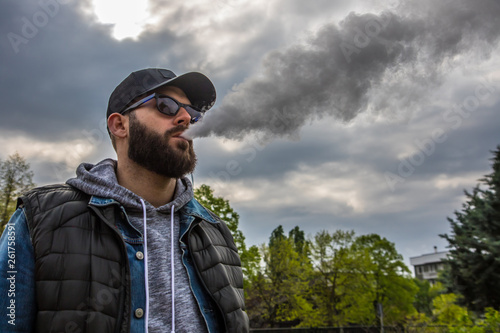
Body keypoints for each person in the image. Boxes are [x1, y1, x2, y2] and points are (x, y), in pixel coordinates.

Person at [0, 68, 249, 333]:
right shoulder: (36, 219)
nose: (186, 118)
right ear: (119, 125)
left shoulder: (216, 232)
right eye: (166, 105)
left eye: (194, 114)